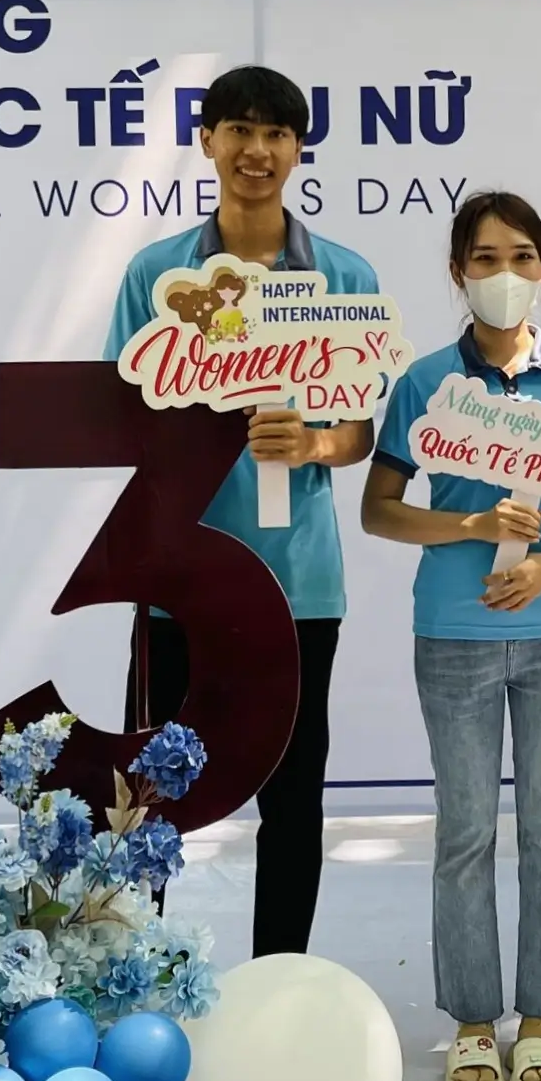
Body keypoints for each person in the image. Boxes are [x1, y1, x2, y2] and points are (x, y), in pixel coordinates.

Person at [363, 193, 541, 1081]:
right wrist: (470, 522)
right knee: (465, 833)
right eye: (485, 259)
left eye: (522, 256)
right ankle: (475, 1025)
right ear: (458, 272)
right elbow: (379, 508)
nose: (505, 276)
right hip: (453, 634)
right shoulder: (425, 384)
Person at [103, 65, 379, 958]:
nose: (257, 152)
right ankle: (132, 971)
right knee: (151, 793)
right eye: (238, 131)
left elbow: (362, 432)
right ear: (208, 142)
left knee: (293, 794)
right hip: (178, 583)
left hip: (298, 584)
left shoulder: (342, 273)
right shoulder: (157, 273)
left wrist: (312, 443)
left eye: (276, 135)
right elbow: (119, 413)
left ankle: (280, 978)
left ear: (299, 149)